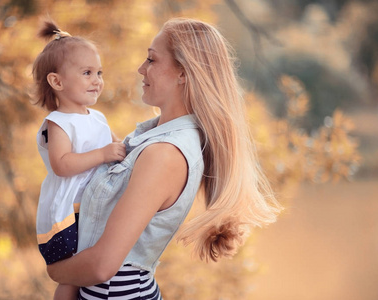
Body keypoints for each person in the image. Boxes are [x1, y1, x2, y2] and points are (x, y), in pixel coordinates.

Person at [47, 18, 282, 299]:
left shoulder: (164, 154)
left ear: (183, 72)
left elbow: (101, 266)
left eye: (152, 60)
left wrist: (56, 272)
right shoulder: (150, 138)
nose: (141, 69)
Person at [32, 20, 126, 299]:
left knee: (94, 268)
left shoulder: (97, 117)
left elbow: (117, 146)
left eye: (99, 72)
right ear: (57, 81)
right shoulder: (58, 123)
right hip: (69, 212)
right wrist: (102, 154)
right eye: (87, 73)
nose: (97, 80)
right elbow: (62, 164)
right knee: (73, 274)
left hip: (95, 204)